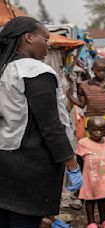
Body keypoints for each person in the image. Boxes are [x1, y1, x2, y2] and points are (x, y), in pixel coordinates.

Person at [0, 17, 82, 227]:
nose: (49, 44)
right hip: (30, 167)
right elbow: (51, 127)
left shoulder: (4, 70)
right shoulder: (35, 71)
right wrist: (72, 166)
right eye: (45, 39)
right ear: (28, 37)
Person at [76, 117, 105, 228]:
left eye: (102, 130)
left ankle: (104, 220)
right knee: (90, 200)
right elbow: (79, 160)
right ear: (88, 130)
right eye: (95, 130)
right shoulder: (83, 142)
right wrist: (82, 174)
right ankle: (91, 222)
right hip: (89, 178)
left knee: (103, 199)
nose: (98, 132)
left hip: (104, 178)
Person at [67, 58, 105, 135]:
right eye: (99, 70)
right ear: (92, 69)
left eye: (104, 71)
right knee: (91, 143)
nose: (102, 73)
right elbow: (82, 105)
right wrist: (70, 96)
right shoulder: (84, 85)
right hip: (91, 119)